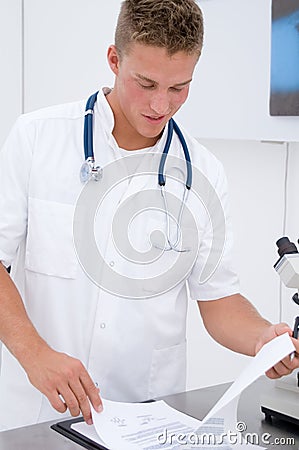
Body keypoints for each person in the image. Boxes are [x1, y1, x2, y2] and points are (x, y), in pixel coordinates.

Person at [0, 0, 298, 432]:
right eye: (146, 83)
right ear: (114, 59)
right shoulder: (36, 138)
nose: (161, 105)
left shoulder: (204, 172)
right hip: (38, 415)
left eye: (179, 88)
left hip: (144, 419)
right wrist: (35, 353)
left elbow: (218, 300)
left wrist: (260, 339)